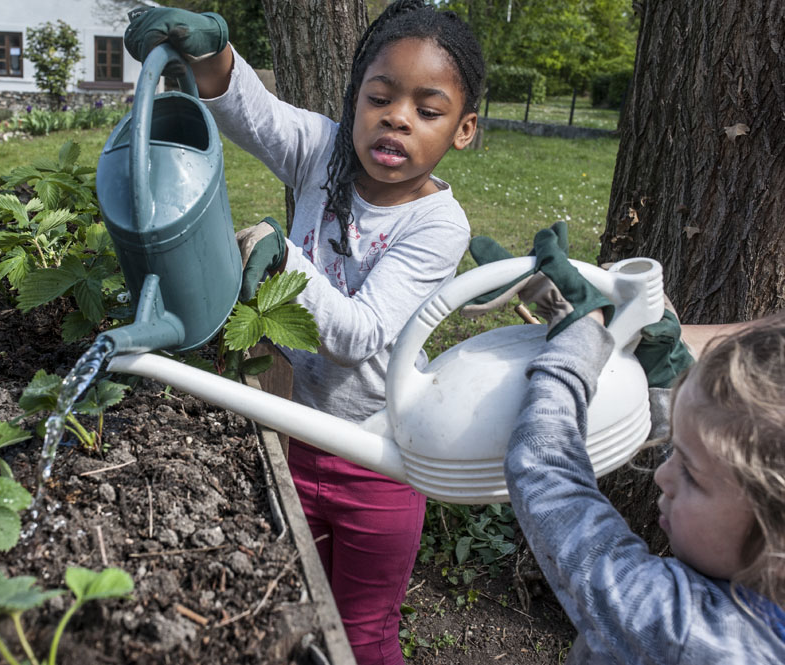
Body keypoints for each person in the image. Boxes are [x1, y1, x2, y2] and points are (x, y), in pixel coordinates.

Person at [124, 3, 485, 662]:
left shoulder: (438, 226)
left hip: (381, 463)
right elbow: (254, 114)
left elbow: (359, 333)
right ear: (354, 103)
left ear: (463, 131)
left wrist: (281, 257)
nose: (398, 117)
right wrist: (213, 58)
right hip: (297, 436)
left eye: (427, 112)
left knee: (364, 629)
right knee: (303, 603)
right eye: (379, 97)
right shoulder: (323, 151)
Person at [501, 227, 785, 663]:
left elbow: (547, 475)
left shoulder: (685, 632)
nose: (661, 475)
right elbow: (726, 459)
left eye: (690, 473)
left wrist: (574, 351)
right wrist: (664, 378)